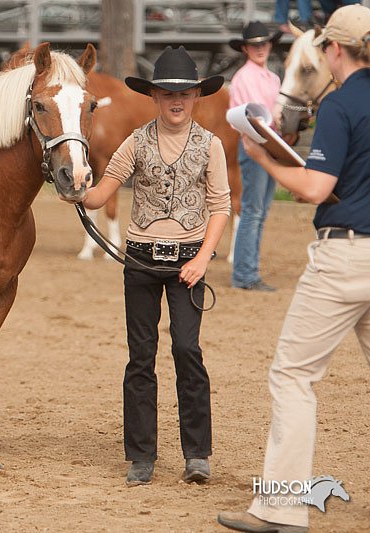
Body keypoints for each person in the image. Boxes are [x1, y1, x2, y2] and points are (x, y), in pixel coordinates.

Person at [218, 5, 370, 532]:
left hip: (345, 255)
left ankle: (282, 507)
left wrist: (260, 156)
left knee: (293, 376)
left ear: (333, 50)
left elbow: (313, 189)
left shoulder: (341, 103)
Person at [81, 46, 230, 487]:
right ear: (155, 97)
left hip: (189, 263)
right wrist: (77, 188)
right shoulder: (136, 141)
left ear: (197, 96)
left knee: (188, 351)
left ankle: (197, 453)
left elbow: (220, 206)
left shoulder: (211, 145)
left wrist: (203, 258)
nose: (176, 99)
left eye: (184, 92)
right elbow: (103, 190)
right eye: (167, 92)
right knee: (140, 359)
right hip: (142, 260)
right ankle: (141, 455)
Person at [228, 21, 282, 292]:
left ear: (269, 45)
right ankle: (244, 274)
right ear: (246, 49)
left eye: (263, 44)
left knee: (259, 210)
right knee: (253, 209)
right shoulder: (244, 78)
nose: (260, 48)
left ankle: (248, 270)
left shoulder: (273, 79)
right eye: (254, 45)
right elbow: (252, 117)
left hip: (272, 145)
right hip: (255, 144)